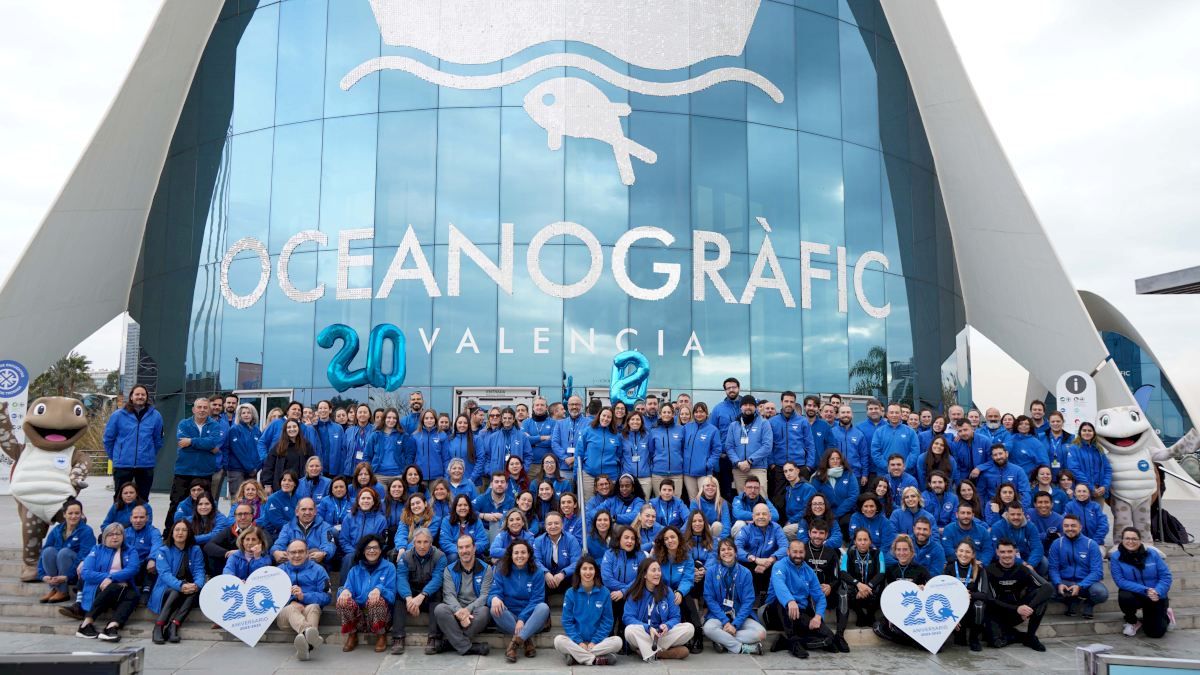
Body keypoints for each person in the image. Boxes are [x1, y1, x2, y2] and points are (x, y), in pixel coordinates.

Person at [767, 538, 837, 659]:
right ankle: (794, 643)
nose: (798, 555)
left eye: (801, 552)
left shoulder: (809, 571)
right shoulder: (779, 566)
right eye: (795, 552)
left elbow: (820, 597)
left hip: (799, 613)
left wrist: (818, 616)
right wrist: (790, 601)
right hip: (774, 613)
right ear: (788, 552)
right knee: (782, 603)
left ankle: (785, 643)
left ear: (805, 553)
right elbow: (779, 585)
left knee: (829, 637)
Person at [74, 523, 140, 642]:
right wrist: (109, 579)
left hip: (121, 590)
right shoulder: (97, 549)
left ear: (123, 536)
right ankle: (85, 625)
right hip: (98, 588)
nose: (115, 537)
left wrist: (112, 578)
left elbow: (133, 568)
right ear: (104, 537)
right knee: (114, 587)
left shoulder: (130, 550)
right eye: (110, 534)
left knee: (133, 594)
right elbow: (86, 573)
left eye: (118, 534)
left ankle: (111, 627)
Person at [490, 539, 550, 663]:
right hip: (509, 618)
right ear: (511, 555)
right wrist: (494, 598)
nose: (519, 556)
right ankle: (526, 638)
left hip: (530, 619)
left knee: (543, 607)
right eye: (516, 553)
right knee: (494, 608)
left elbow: (537, 599)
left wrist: (522, 619)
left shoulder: (538, 572)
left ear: (529, 554)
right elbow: (494, 591)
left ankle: (515, 643)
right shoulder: (501, 570)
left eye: (523, 552)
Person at [702, 537, 766, 655]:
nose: (726, 552)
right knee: (708, 629)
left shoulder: (745, 573)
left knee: (761, 633)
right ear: (719, 554)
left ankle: (721, 640)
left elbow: (748, 601)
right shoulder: (711, 572)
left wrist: (735, 624)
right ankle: (741, 648)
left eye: (730, 549)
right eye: (723, 550)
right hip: (719, 616)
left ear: (736, 552)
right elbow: (709, 599)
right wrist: (726, 622)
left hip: (739, 615)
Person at [623, 558, 695, 661]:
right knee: (629, 631)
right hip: (644, 634)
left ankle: (650, 652)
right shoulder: (635, 592)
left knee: (689, 628)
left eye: (659, 570)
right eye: (653, 570)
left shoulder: (667, 591)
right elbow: (627, 617)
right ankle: (663, 653)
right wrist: (648, 628)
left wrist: (667, 625)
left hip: (662, 635)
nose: (657, 573)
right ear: (644, 574)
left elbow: (675, 616)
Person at [433, 534, 493, 656]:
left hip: (475, 611)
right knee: (440, 609)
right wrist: (460, 611)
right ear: (457, 550)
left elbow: (484, 596)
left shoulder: (486, 569)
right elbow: (449, 596)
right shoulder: (449, 570)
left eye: (467, 547)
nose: (464, 551)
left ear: (474, 548)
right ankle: (467, 647)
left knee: (485, 612)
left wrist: (467, 610)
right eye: (461, 547)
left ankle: (450, 643)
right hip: (456, 611)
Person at [556, 555, 621, 666]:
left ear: (595, 571)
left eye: (591, 569)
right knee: (558, 641)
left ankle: (576, 657)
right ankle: (596, 659)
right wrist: (579, 642)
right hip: (576, 642)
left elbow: (607, 621)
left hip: (598, 642)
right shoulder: (570, 593)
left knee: (618, 641)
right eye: (584, 569)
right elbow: (567, 621)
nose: (588, 572)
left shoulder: (604, 592)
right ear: (579, 572)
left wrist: (594, 641)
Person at [102, 384, 164, 500]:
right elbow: (108, 439)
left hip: (145, 465)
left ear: (147, 397)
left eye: (143, 394)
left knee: (143, 499)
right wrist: (115, 457)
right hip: (122, 465)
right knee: (120, 499)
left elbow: (158, 440)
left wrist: (149, 454)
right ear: (131, 396)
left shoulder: (156, 416)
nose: (140, 397)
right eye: (137, 394)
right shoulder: (118, 415)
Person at [987, 539, 1051, 651]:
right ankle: (1019, 636)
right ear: (997, 552)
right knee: (996, 642)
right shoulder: (989, 570)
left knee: (1042, 597)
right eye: (1002, 552)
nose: (1006, 555)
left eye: (1009, 551)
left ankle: (1031, 637)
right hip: (996, 613)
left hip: (1018, 613)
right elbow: (990, 600)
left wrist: (1028, 608)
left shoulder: (1022, 569)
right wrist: (1017, 609)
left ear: (1015, 552)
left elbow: (1047, 588)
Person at [871, 535, 934, 648]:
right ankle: (914, 643)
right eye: (898, 550)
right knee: (877, 627)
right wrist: (890, 615)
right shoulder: (890, 570)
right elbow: (886, 595)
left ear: (911, 551)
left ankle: (916, 641)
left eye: (905, 549)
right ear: (894, 552)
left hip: (916, 614)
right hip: (897, 611)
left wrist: (924, 589)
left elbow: (932, 591)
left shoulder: (921, 570)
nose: (902, 553)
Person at [337, 534, 397, 653]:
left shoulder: (389, 568)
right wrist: (344, 591)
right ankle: (352, 635)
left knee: (376, 600)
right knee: (343, 600)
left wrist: (380, 589)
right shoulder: (355, 570)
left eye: (375, 548)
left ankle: (381, 635)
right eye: (368, 548)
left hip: (382, 617)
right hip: (360, 618)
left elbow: (392, 596)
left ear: (380, 550)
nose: (372, 551)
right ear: (363, 551)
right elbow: (346, 590)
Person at [149, 520, 206, 644]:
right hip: (165, 589)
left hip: (188, 588)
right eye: (177, 529)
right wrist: (181, 585)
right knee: (176, 591)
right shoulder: (163, 550)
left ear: (189, 533)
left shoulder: (195, 550)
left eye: (184, 530)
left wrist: (197, 585)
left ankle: (174, 625)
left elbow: (199, 570)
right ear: (172, 532)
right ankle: (159, 626)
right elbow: (165, 574)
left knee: (194, 592)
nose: (180, 533)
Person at [168, 398, 222, 531]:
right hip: (183, 472)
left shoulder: (215, 425)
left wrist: (191, 441)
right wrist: (205, 446)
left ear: (209, 410)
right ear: (193, 409)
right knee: (176, 503)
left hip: (204, 473)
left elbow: (212, 443)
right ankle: (169, 533)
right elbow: (183, 443)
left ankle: (202, 532)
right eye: (199, 407)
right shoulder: (184, 424)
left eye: (205, 407)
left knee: (204, 505)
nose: (202, 410)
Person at [1110, 527, 1174, 638]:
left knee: (1155, 634)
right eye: (1127, 538)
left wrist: (1157, 591)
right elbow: (1120, 581)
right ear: (1122, 540)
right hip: (1137, 593)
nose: (1131, 542)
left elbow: (1166, 576)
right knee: (1124, 596)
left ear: (1140, 540)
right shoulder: (1116, 557)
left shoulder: (1152, 554)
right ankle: (1132, 621)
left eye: (1134, 539)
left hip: (1155, 595)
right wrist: (1145, 590)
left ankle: (1166, 615)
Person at [277, 539, 331, 661]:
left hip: (307, 612)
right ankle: (309, 633)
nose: (297, 555)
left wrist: (303, 597)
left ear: (307, 553)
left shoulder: (319, 570)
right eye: (293, 552)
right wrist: (291, 601)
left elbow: (327, 597)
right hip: (285, 617)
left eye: (301, 552)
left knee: (314, 606)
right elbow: (270, 597)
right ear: (287, 554)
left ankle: (306, 647)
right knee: (291, 608)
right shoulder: (279, 571)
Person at [1049, 514, 1108, 619]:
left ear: (1080, 527)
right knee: (1046, 590)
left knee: (1101, 593)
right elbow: (1053, 569)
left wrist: (1080, 585)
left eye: (1073, 526)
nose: (1069, 528)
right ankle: (1071, 600)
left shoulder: (1091, 544)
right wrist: (1058, 583)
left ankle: (1089, 604)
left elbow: (1097, 572)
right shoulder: (1057, 544)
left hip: (1085, 583)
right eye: (1066, 526)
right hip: (1065, 582)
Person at [39, 497, 95, 604]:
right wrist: (42, 575)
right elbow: (44, 552)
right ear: (64, 514)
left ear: (81, 514)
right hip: (59, 573)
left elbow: (84, 557)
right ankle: (54, 588)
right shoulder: (57, 529)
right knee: (48, 551)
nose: (74, 516)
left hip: (75, 574)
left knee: (64, 552)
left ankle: (62, 591)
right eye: (70, 513)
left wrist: (67, 576)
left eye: (77, 513)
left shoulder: (86, 531)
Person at [943, 539, 990, 651]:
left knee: (979, 605)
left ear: (973, 554)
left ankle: (974, 638)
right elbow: (943, 592)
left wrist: (969, 595)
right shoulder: (949, 568)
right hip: (954, 608)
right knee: (960, 642)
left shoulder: (979, 570)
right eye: (961, 551)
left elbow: (984, 595)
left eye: (968, 552)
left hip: (971, 608)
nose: (964, 554)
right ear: (956, 552)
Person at [734, 503, 788, 597]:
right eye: (758, 514)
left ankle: (771, 598)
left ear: (770, 516)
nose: (761, 517)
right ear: (753, 517)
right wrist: (755, 559)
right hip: (751, 563)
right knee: (739, 565)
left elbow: (785, 547)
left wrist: (770, 560)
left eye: (764, 514)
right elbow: (736, 548)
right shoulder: (746, 530)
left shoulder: (776, 528)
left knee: (781, 564)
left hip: (770, 563)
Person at [724, 395, 772, 494]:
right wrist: (738, 463)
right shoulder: (733, 425)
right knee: (742, 498)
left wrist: (750, 461)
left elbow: (767, 446)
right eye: (745, 405)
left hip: (758, 468)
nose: (748, 407)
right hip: (739, 469)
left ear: (755, 407)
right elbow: (729, 447)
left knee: (761, 497)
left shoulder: (764, 423)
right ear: (741, 407)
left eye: (751, 405)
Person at [838, 529, 884, 628]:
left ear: (870, 541)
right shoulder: (849, 553)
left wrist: (868, 587)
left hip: (871, 590)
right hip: (856, 591)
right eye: (859, 540)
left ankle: (871, 614)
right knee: (845, 584)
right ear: (855, 541)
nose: (862, 543)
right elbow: (843, 572)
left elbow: (881, 573)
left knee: (881, 583)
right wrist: (858, 585)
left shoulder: (877, 553)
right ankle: (860, 614)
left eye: (865, 539)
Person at [339, 487, 388, 579]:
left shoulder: (381, 520)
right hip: (353, 552)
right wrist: (355, 552)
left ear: (374, 502)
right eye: (363, 498)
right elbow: (343, 540)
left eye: (369, 498)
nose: (366, 501)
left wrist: (370, 551)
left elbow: (383, 542)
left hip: (372, 552)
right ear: (358, 501)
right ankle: (344, 587)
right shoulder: (349, 518)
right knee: (348, 558)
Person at [271, 497, 335, 566]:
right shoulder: (287, 527)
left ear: (315, 512)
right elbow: (279, 544)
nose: (307, 512)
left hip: (315, 564)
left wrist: (324, 553)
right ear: (297, 512)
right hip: (293, 564)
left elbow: (329, 545)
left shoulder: (325, 527)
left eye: (310, 509)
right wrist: (275, 552)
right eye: (303, 509)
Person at [990, 502, 1046, 575]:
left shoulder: (1030, 526)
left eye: (1019, 514)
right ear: (1007, 514)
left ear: (1023, 514)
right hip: (1006, 556)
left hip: (1026, 557)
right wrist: (1021, 563)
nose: (1016, 517)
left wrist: (1030, 564)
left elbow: (1037, 547)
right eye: (1012, 514)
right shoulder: (997, 527)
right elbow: (996, 550)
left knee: (1044, 562)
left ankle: (1036, 579)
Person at [221, 403, 261, 501]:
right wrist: (251, 468)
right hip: (237, 470)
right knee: (237, 499)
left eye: (249, 413)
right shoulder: (234, 429)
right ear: (239, 415)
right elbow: (239, 451)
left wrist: (257, 467)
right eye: (243, 413)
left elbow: (260, 450)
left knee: (251, 499)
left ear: (253, 415)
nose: (246, 415)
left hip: (253, 470)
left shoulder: (256, 430)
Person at [534, 511, 581, 595]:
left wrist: (563, 573)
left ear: (562, 525)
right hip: (546, 579)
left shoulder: (571, 540)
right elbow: (536, 560)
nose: (553, 526)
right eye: (549, 524)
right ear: (545, 526)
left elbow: (577, 562)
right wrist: (545, 572)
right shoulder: (538, 541)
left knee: (577, 576)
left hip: (567, 579)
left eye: (556, 523)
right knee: (537, 576)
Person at [868, 404, 919, 478]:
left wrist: (904, 467)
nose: (894, 415)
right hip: (884, 474)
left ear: (901, 414)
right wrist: (888, 467)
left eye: (897, 412)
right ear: (887, 414)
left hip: (906, 474)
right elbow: (875, 453)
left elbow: (915, 452)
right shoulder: (879, 432)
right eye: (891, 412)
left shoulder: (911, 432)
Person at [1065, 422, 1111, 499]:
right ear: (1080, 432)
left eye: (1089, 431)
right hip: (1082, 491)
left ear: (1094, 433)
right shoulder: (1074, 448)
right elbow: (1074, 470)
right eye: (1084, 430)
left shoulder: (1098, 449)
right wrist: (1091, 487)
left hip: (1099, 491)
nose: (1087, 433)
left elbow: (1107, 469)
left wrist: (1105, 486)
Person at [124, 504, 161, 596]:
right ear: (131, 518)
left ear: (147, 518)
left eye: (141, 517)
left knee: (154, 561)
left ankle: (146, 591)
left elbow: (157, 545)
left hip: (145, 566)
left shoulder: (153, 531)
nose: (138, 520)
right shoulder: (124, 532)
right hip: (128, 566)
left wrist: (152, 559)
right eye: (135, 517)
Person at [366, 408, 411, 485]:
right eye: (389, 417)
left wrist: (405, 470)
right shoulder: (375, 435)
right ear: (384, 419)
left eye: (394, 418)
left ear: (397, 420)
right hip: (379, 475)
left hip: (398, 475)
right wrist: (371, 471)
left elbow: (409, 455)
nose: (391, 420)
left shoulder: (403, 436)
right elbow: (367, 456)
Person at [439, 494, 488, 562]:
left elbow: (483, 541)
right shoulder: (446, 521)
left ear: (469, 507)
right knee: (454, 556)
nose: (463, 508)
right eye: (459, 505)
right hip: (455, 554)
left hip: (474, 553)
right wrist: (461, 550)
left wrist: (470, 550)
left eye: (465, 505)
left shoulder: (476, 520)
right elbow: (444, 543)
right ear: (455, 507)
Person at [650, 402, 686, 495]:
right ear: (660, 414)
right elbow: (651, 451)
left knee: (676, 500)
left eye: (669, 412)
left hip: (676, 473)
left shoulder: (681, 429)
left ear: (673, 414)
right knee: (659, 500)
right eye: (664, 412)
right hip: (658, 473)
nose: (666, 414)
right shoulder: (654, 431)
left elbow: (683, 449)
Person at [1064, 483, 1109, 552]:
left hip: (1095, 543)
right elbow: (1065, 525)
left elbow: (1103, 526)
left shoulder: (1096, 506)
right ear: (1075, 494)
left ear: (1089, 494)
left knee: (1100, 553)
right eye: (1079, 491)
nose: (1081, 494)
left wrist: (1094, 543)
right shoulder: (1069, 506)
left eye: (1084, 491)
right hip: (1074, 543)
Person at [621, 411, 653, 497]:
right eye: (632, 419)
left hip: (645, 477)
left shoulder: (647, 436)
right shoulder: (622, 436)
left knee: (644, 503)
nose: (635, 422)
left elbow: (652, 453)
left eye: (638, 419)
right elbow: (619, 455)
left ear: (642, 422)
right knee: (628, 502)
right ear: (628, 421)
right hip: (628, 478)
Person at [257, 470, 298, 538]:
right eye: (284, 480)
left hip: (292, 531)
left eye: (290, 480)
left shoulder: (299, 498)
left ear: (295, 483)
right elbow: (277, 522)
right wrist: (298, 527)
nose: (286, 483)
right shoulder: (273, 499)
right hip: (272, 534)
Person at [473, 472, 515, 538]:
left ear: (506, 485)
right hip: (483, 532)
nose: (499, 484)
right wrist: (484, 516)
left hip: (504, 533)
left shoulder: (511, 501)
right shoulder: (482, 498)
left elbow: (516, 517)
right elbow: (469, 511)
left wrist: (503, 517)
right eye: (496, 482)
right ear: (491, 484)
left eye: (502, 482)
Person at [779, 461, 816, 532]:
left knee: (785, 531)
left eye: (791, 470)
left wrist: (790, 521)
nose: (788, 473)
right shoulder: (788, 489)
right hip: (793, 523)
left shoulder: (808, 488)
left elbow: (808, 510)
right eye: (785, 471)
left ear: (797, 471)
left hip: (807, 522)